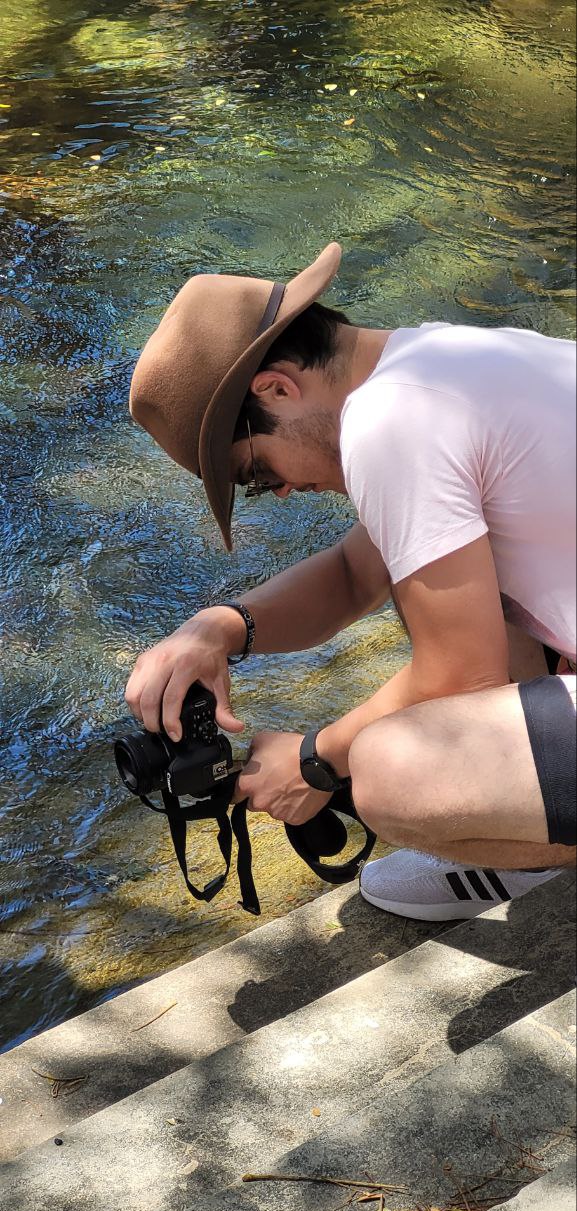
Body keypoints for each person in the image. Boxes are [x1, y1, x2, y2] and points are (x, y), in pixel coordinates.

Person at [124, 242, 576, 921]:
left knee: (393, 774)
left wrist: (314, 762)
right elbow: (354, 571)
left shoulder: (388, 423)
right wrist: (219, 628)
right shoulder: (439, 362)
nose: (279, 491)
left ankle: (526, 847)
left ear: (276, 388)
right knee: (435, 583)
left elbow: (461, 674)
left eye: (256, 472)